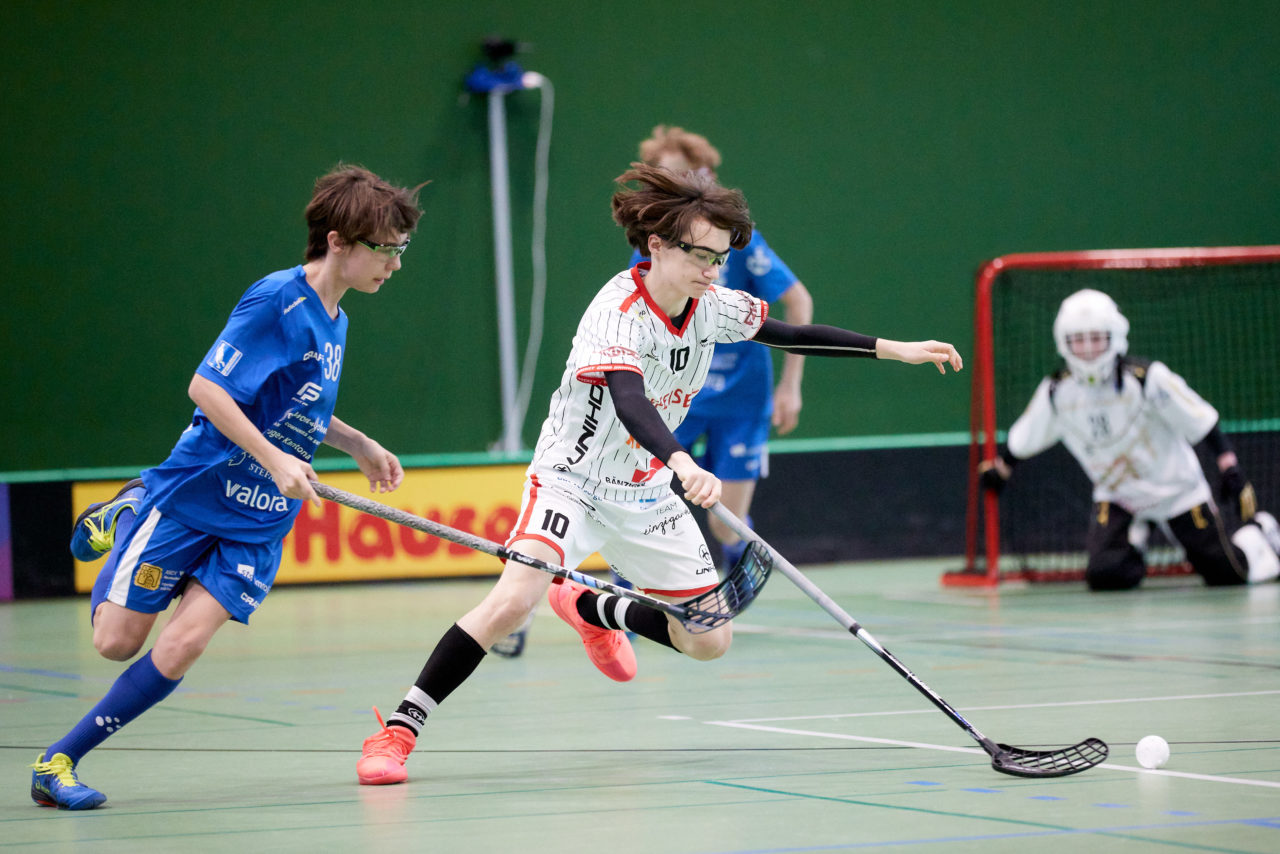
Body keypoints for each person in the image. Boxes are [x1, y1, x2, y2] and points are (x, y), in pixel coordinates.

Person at [356, 163, 963, 786]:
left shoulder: (712, 306)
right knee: (511, 602)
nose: (710, 270)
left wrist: (894, 348)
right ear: (657, 245)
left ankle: (592, 607)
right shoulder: (616, 310)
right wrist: (681, 460)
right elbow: (630, 398)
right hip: (574, 477)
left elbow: (791, 332)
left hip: (644, 492)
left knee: (708, 639)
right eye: (700, 255)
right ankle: (398, 730)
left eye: (721, 259)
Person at [31, 164, 423, 810]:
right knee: (116, 642)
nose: (394, 264)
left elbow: (297, 406)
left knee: (182, 645)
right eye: (385, 249)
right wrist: (273, 458)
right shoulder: (277, 301)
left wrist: (356, 443)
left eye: (399, 251)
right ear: (338, 242)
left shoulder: (337, 321)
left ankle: (59, 761)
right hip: (198, 491)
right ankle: (131, 512)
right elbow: (207, 389)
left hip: (261, 519)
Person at [492, 126, 814, 658]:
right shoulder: (648, 269)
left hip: (741, 399)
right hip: (674, 399)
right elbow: (629, 386)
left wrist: (792, 384)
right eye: (668, 178)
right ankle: (579, 601)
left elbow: (796, 309)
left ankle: (715, 583)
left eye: (689, 175)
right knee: (635, 492)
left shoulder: (737, 242)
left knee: (724, 524)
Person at [979, 288, 1280, 591]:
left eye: (1096, 338)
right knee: (1104, 576)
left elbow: (1201, 419)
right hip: (1119, 497)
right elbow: (1029, 432)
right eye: (1078, 340)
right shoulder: (1058, 392)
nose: (1087, 349)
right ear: (1064, 343)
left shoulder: (1147, 379)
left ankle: (1261, 532)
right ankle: (1135, 536)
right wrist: (1002, 466)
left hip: (1177, 493)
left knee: (1227, 575)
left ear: (1114, 337)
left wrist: (1230, 467)